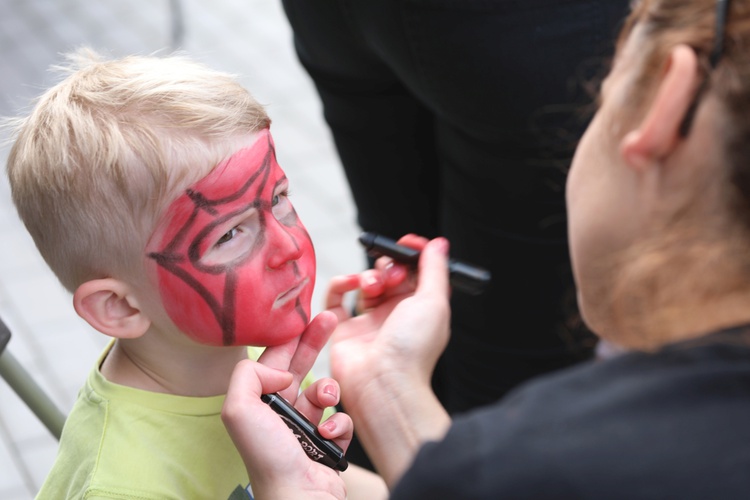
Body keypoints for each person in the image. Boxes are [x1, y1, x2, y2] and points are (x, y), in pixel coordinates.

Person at [222, 0, 750, 497]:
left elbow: (492, 477)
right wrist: (387, 389)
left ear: (666, 102)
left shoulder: (553, 464)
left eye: (603, 94)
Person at [4, 48, 384, 499]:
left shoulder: (258, 352)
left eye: (279, 197)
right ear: (120, 307)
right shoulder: (119, 487)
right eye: (228, 235)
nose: (288, 247)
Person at [279, 0, 633, 429]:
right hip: (520, 27)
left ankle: (380, 450)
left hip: (336, 20)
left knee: (395, 297)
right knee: (510, 370)